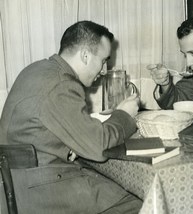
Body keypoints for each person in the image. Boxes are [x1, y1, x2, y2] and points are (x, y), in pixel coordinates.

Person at [0, 21, 142, 213]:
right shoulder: (61, 84)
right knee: (139, 203)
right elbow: (97, 147)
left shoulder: (37, 70)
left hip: (17, 183)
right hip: (38, 191)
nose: (103, 70)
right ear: (85, 55)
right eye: (102, 60)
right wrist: (124, 115)